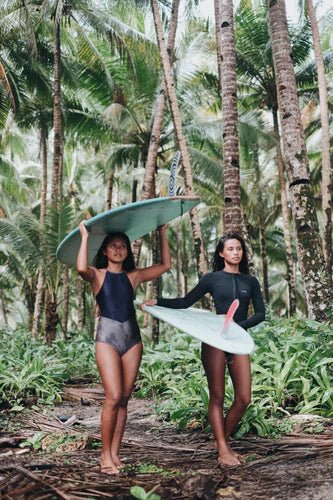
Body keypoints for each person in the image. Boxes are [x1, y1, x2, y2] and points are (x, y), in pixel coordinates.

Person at [143, 232, 265, 466]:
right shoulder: (212, 278)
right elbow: (185, 302)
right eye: (230, 249)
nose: (235, 252)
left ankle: (222, 441)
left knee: (243, 398)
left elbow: (260, 313)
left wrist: (239, 326)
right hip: (214, 338)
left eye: (238, 248)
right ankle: (222, 449)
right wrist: (158, 302)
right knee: (217, 396)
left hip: (238, 340)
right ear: (221, 253)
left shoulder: (250, 281)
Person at [77, 222, 171, 474]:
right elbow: (79, 267)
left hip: (132, 340)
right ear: (105, 251)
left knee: (125, 400)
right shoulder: (97, 275)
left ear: (128, 252)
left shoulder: (134, 276)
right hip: (107, 338)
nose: (118, 249)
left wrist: (161, 232)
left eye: (122, 246)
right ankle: (104, 455)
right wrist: (85, 237)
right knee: (113, 397)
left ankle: (116, 454)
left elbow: (165, 266)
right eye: (113, 246)